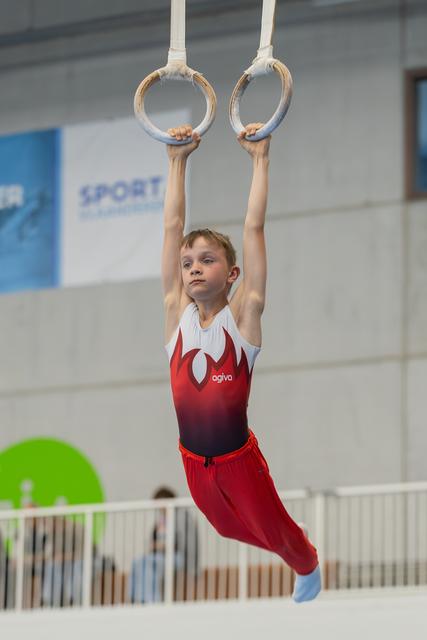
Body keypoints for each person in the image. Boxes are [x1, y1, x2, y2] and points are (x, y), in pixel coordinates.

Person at [162, 123, 321, 603]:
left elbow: (254, 227)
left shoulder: (244, 314)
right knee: (229, 531)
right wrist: (176, 161)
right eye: (187, 262)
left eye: (206, 260)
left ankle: (307, 561)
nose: (192, 268)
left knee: (273, 529)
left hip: (238, 462)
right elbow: (172, 227)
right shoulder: (176, 315)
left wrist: (260, 159)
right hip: (193, 462)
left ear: (231, 274)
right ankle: (285, 549)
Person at [129, 486, 199, 603]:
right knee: (138, 561)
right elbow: (154, 539)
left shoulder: (182, 516)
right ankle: (135, 598)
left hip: (178, 556)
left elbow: (184, 542)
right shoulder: (161, 520)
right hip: (160, 556)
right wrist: (155, 546)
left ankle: (153, 600)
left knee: (150, 563)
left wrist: (164, 545)